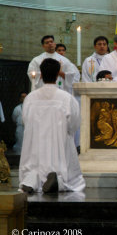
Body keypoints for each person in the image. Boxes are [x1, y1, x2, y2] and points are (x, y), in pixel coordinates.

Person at [19, 58, 86, 193]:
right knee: (70, 176)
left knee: (33, 166)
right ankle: (57, 180)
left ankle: (31, 181)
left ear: (41, 75)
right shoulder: (66, 98)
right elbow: (74, 124)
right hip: (58, 143)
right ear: (58, 75)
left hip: (35, 143)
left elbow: (25, 120)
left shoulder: (30, 98)